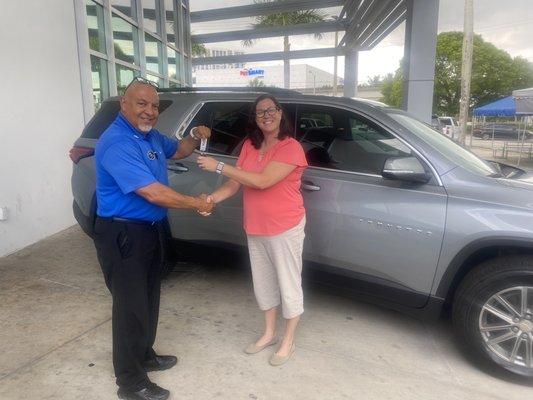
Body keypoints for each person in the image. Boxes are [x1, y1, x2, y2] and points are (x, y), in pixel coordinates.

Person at [93, 77, 214, 400]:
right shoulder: (118, 142)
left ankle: (145, 355)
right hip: (124, 233)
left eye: (154, 106)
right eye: (141, 104)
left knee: (148, 298)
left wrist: (195, 135)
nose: (149, 111)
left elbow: (180, 150)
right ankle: (130, 382)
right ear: (124, 105)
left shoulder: (149, 137)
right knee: (131, 306)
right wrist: (196, 203)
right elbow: (152, 192)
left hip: (149, 231)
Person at [197, 94, 308, 366]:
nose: (266, 115)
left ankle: (288, 340)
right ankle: (269, 333)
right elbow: (235, 185)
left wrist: (220, 165)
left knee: (288, 283)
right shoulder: (249, 145)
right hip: (256, 226)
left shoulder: (290, 147)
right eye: (260, 112)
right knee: (264, 282)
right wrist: (211, 199)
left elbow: (261, 182)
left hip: (285, 226)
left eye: (271, 110)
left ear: (280, 113)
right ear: (255, 118)